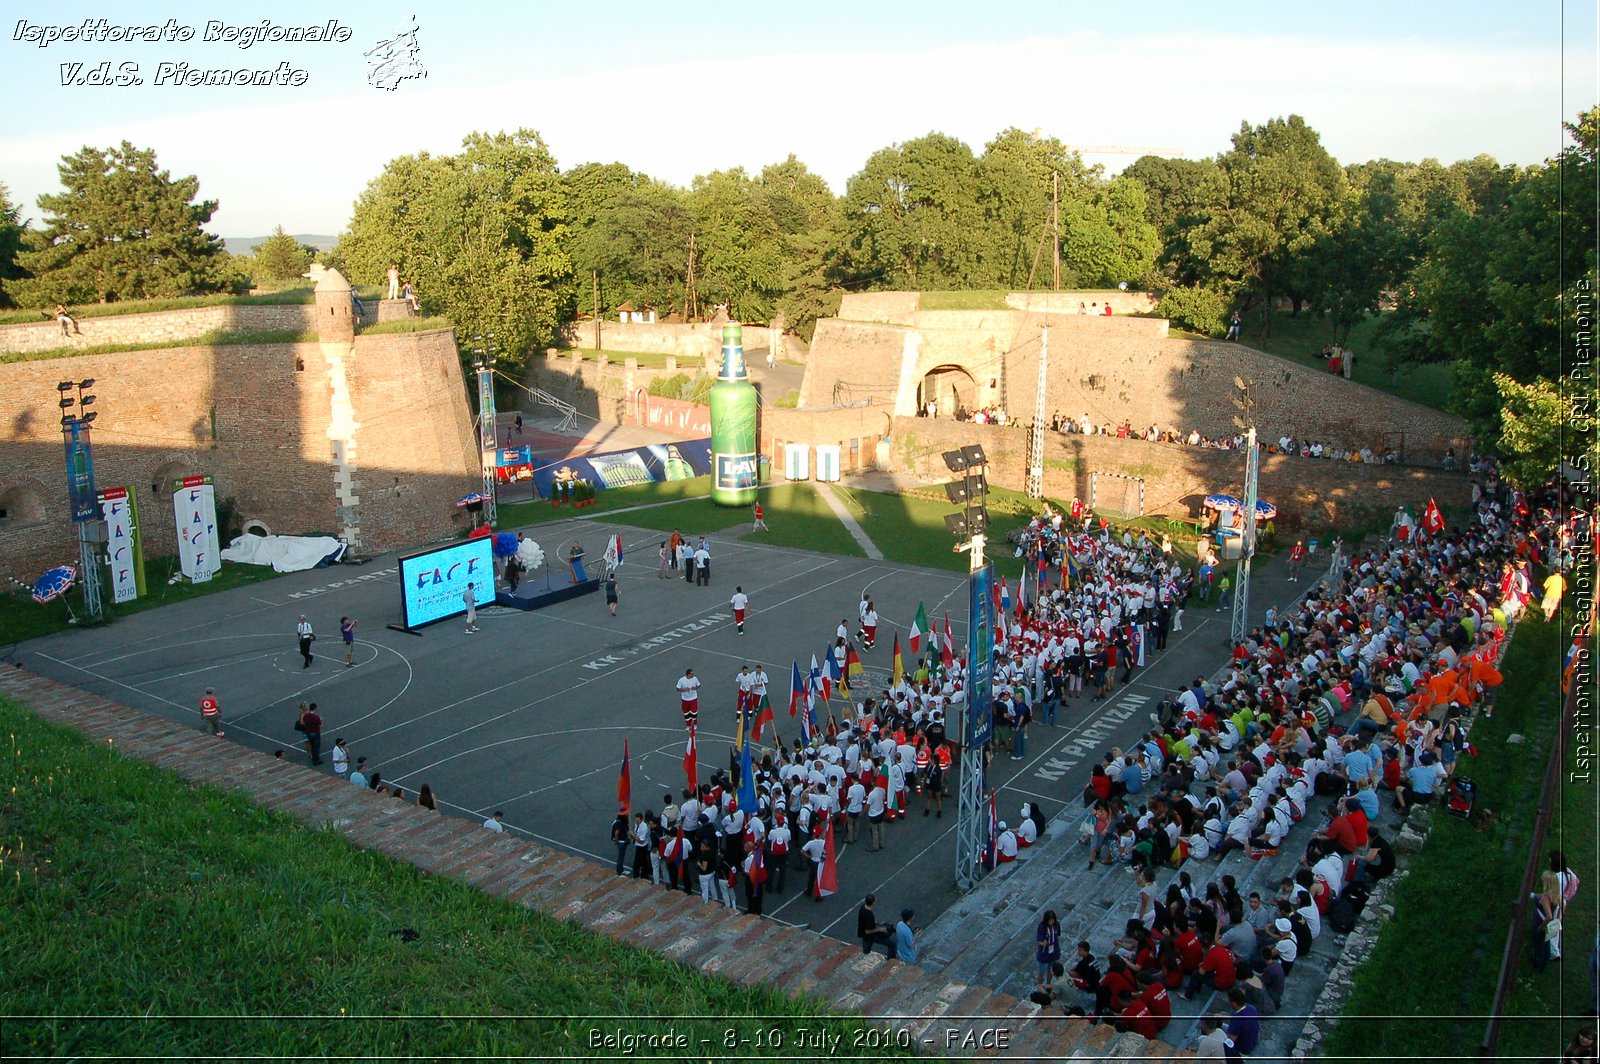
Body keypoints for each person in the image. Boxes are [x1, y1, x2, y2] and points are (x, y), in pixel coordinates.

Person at [1036, 910, 1063, 991]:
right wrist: (1042, 943)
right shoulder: (1042, 926)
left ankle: (1048, 985)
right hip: (1044, 952)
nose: (1051, 922)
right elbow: (1038, 940)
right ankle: (1039, 987)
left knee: (1051, 970)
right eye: (1049, 920)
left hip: (1053, 951)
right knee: (1041, 971)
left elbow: (1057, 935)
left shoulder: (1056, 925)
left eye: (1052, 920)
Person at [297, 702, 323, 766]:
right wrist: (321, 721)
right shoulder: (315, 717)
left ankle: (312, 756)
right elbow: (320, 725)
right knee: (316, 746)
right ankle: (316, 760)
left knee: (312, 744)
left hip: (309, 732)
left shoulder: (306, 715)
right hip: (315, 732)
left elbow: (303, 722)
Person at [610, 807, 630, 877]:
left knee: (622, 856)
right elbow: (616, 832)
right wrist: (616, 841)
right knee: (620, 857)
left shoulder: (620, 821)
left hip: (623, 840)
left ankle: (621, 870)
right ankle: (619, 872)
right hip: (621, 841)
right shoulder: (619, 822)